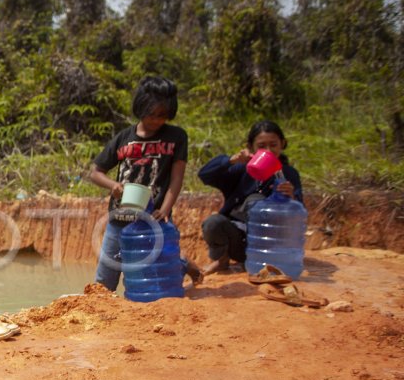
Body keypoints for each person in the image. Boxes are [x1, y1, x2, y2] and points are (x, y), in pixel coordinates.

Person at [86, 76, 190, 291]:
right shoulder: (124, 138)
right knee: (105, 280)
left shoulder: (176, 137)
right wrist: (113, 186)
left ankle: (184, 266)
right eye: (151, 114)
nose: (156, 120)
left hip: (154, 219)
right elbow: (95, 173)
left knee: (151, 275)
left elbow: (176, 178)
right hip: (120, 217)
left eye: (162, 115)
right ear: (140, 107)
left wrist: (165, 209)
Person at [197, 119, 303, 276]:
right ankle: (221, 260)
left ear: (283, 143)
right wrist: (230, 161)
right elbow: (205, 175)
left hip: (271, 246)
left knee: (258, 203)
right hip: (239, 242)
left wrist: (291, 198)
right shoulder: (241, 170)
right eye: (261, 146)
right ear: (250, 147)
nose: (268, 150)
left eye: (273, 145)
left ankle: (265, 264)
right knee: (213, 223)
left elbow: (299, 214)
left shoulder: (288, 174)